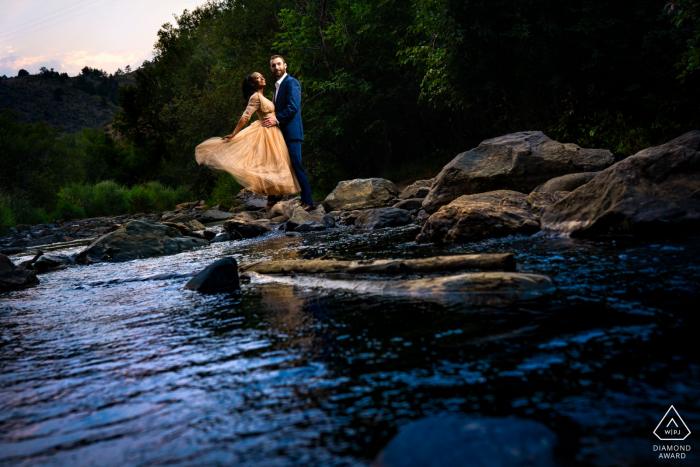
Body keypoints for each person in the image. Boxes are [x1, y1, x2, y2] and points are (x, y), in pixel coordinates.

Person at [194, 72, 301, 211]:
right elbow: (246, 116)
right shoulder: (255, 97)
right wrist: (234, 133)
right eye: (258, 78)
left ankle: (272, 202)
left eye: (262, 76)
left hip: (274, 132)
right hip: (266, 133)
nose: (262, 78)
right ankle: (271, 204)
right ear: (252, 84)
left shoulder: (263, 96)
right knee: (269, 165)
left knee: (275, 164)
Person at [261, 55, 315, 211]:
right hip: (282, 134)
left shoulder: (292, 82)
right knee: (290, 166)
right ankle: (304, 200)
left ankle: (309, 202)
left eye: (279, 64)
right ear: (271, 69)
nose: (276, 67)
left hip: (292, 132)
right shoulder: (278, 87)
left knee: (297, 165)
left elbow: (293, 107)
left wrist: (276, 119)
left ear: (285, 65)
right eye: (273, 65)